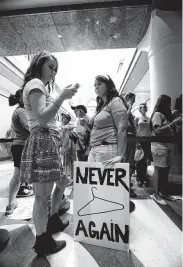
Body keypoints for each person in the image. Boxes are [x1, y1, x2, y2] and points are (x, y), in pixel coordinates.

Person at [19, 51, 78, 256]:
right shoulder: (35, 84)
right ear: (39, 64)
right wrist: (62, 97)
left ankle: (52, 219)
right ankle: (43, 241)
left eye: (55, 68)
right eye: (50, 66)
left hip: (48, 140)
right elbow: (42, 119)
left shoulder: (39, 86)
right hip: (43, 140)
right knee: (41, 197)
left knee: (61, 182)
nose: (53, 71)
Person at [5, 89, 33, 216]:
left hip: (20, 146)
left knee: (18, 176)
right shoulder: (21, 111)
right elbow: (30, 128)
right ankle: (11, 204)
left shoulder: (20, 111)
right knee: (18, 176)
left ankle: (11, 204)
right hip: (23, 146)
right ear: (22, 98)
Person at [150, 94, 182, 205]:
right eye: (168, 103)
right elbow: (157, 131)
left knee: (165, 170)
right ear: (164, 103)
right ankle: (156, 194)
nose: (169, 105)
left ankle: (163, 192)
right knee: (158, 170)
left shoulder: (165, 115)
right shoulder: (157, 114)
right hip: (159, 145)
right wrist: (172, 124)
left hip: (167, 145)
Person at [120, 92, 137, 198]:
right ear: (126, 99)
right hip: (127, 140)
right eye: (132, 99)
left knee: (130, 164)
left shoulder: (130, 114)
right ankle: (125, 188)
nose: (133, 102)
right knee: (127, 165)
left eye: (134, 100)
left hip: (131, 140)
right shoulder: (124, 111)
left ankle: (126, 186)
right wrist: (129, 109)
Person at [135, 103, 152, 187]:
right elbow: (135, 130)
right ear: (140, 109)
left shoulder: (149, 118)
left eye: (145, 107)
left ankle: (144, 176)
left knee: (145, 160)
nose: (144, 108)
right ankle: (139, 178)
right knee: (139, 160)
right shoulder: (137, 118)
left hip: (147, 140)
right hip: (140, 140)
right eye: (142, 107)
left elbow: (151, 129)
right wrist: (137, 142)